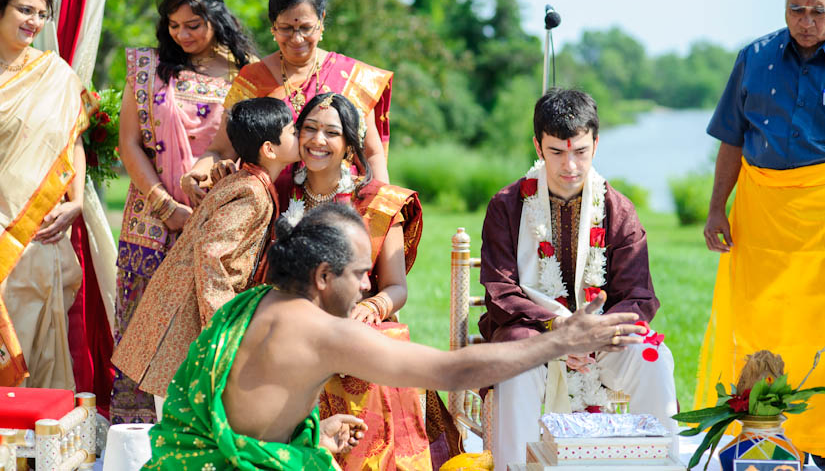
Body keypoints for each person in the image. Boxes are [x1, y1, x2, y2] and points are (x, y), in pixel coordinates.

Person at [142, 203, 647, 470]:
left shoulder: (251, 304)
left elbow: (250, 409)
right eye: (360, 273)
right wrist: (562, 340)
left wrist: (313, 429)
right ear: (322, 276)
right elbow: (452, 370)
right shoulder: (322, 331)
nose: (369, 285)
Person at [478, 88, 678, 468]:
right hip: (534, 333)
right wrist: (559, 330)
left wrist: (593, 333)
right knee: (514, 359)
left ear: (596, 145)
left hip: (603, 338)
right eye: (557, 151)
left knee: (652, 356)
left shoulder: (618, 210)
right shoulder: (507, 206)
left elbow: (638, 294)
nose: (569, 165)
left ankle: (660, 463)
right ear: (538, 146)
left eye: (580, 151)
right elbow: (500, 290)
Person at [111, 0, 256, 424]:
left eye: (193, 24)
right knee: (143, 340)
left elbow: (251, 144)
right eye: (174, 25)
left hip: (221, 226)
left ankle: (206, 437)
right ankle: (137, 446)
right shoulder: (147, 67)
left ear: (216, 16)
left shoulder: (247, 70)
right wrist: (165, 206)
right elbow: (129, 143)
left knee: (211, 334)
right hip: (152, 227)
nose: (182, 34)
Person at [697, 0, 825, 466]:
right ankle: (754, 443)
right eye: (798, 9)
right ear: (784, 4)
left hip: (819, 220)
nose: (808, 21)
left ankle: (816, 441)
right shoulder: (754, 57)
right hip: (759, 217)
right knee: (755, 325)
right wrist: (715, 211)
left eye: (820, 10)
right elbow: (731, 139)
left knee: (817, 328)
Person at [112, 96, 299, 418]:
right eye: (293, 130)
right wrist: (223, 322)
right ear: (270, 149)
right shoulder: (252, 194)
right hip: (187, 319)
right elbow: (211, 252)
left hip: (181, 312)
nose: (299, 136)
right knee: (184, 421)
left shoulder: (244, 182)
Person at [281, 93, 433, 469]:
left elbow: (397, 287)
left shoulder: (378, 203)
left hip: (359, 325)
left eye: (331, 132)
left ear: (350, 145)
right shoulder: (281, 193)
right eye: (310, 129)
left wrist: (369, 306)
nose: (318, 140)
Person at [181, 0, 393, 205]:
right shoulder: (253, 80)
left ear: (321, 21)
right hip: (268, 209)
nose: (297, 38)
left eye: (306, 27)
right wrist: (195, 174)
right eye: (286, 28)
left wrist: (381, 212)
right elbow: (221, 150)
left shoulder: (354, 77)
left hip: (338, 212)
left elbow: (372, 154)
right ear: (273, 24)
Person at [0, 0, 102, 390]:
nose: (34, 22)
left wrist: (75, 201)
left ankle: (35, 448)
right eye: (25, 9)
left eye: (42, 14)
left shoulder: (55, 76)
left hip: (38, 233)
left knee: (39, 350)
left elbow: (71, 143)